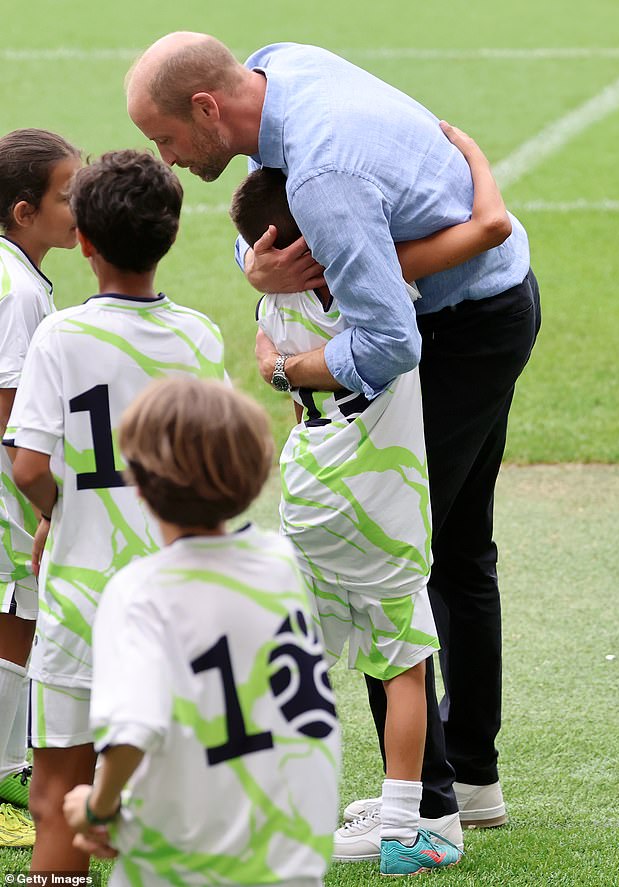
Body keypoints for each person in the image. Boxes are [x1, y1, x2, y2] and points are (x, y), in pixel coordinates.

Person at [126, 32, 541, 859]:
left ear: (208, 107)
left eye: (165, 138)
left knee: (391, 556)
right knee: (458, 551)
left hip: (458, 332)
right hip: (494, 301)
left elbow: (388, 341)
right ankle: (473, 781)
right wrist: (258, 266)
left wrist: (287, 369)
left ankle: (422, 812)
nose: (165, 160)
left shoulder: (323, 176)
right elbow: (265, 207)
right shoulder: (282, 63)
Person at [3, 149, 226, 873]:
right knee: (170, 785)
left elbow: (29, 464)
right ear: (169, 235)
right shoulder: (199, 337)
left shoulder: (60, 335)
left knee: (59, 786)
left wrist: (52, 515)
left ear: (86, 243)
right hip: (173, 598)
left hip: (79, 597)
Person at [62, 376, 340, 887]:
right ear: (254, 474)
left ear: (139, 484)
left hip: (184, 866)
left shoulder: (140, 592)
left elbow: (131, 732)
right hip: (292, 863)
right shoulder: (280, 565)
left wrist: (97, 809)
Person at [0, 128, 81, 848]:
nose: (80, 203)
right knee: (16, 625)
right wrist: (43, 503)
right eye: (67, 194)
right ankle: (3, 775)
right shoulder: (20, 291)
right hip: (6, 501)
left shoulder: (13, 272)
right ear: (25, 212)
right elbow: (11, 414)